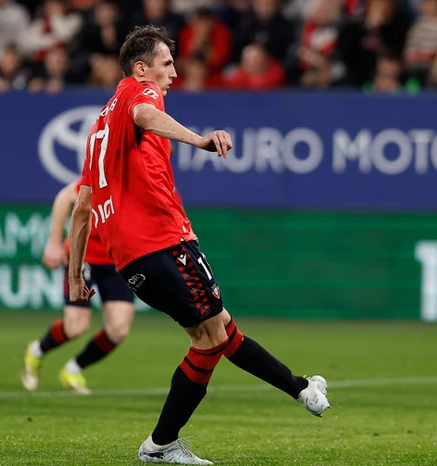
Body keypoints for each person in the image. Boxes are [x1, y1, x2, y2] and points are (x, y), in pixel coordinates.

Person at [67, 25, 330, 465]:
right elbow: (148, 117)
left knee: (215, 331)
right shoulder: (139, 94)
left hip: (129, 256)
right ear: (141, 67)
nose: (174, 71)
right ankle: (160, 445)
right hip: (162, 240)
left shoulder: (99, 126)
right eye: (166, 63)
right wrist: (200, 139)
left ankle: (301, 389)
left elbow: (81, 208)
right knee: (212, 338)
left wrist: (75, 274)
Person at [23, 178, 135, 394]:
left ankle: (73, 369)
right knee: (75, 326)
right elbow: (66, 197)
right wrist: (54, 243)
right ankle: (36, 351)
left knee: (119, 328)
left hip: (118, 259)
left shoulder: (157, 181)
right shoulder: (111, 172)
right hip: (84, 255)